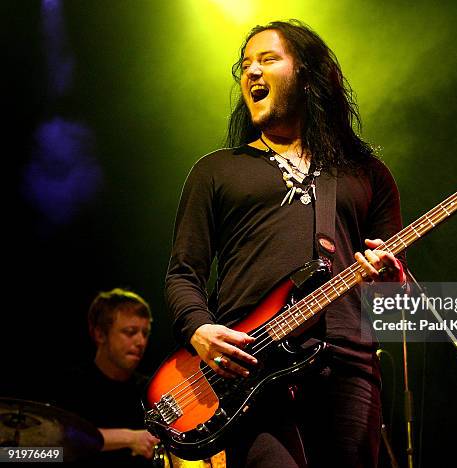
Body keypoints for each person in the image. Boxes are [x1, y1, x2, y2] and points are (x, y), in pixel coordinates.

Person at [165, 19, 407, 468]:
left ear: (307, 74)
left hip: (347, 364)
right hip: (250, 370)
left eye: (268, 59)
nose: (251, 72)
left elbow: (390, 300)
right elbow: (183, 273)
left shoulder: (367, 175)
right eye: (245, 65)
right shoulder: (216, 171)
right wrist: (199, 330)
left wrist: (392, 280)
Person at [56, 288, 160, 467]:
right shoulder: (70, 384)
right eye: (130, 332)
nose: (140, 341)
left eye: (145, 333)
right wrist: (130, 438)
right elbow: (49, 449)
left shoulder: (151, 390)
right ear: (99, 334)